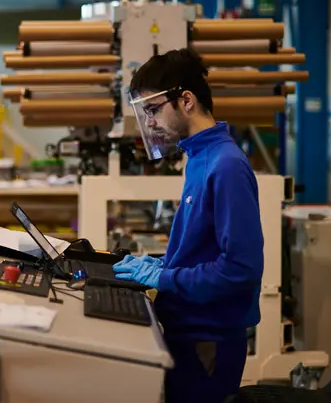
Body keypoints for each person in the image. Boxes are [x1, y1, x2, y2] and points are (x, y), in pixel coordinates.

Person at [113, 47, 264, 403]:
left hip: (208, 341)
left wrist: (166, 278)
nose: (148, 122)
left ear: (186, 100)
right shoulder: (199, 157)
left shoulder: (226, 165)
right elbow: (203, 245)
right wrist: (164, 265)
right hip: (187, 332)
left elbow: (240, 269)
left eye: (152, 109)